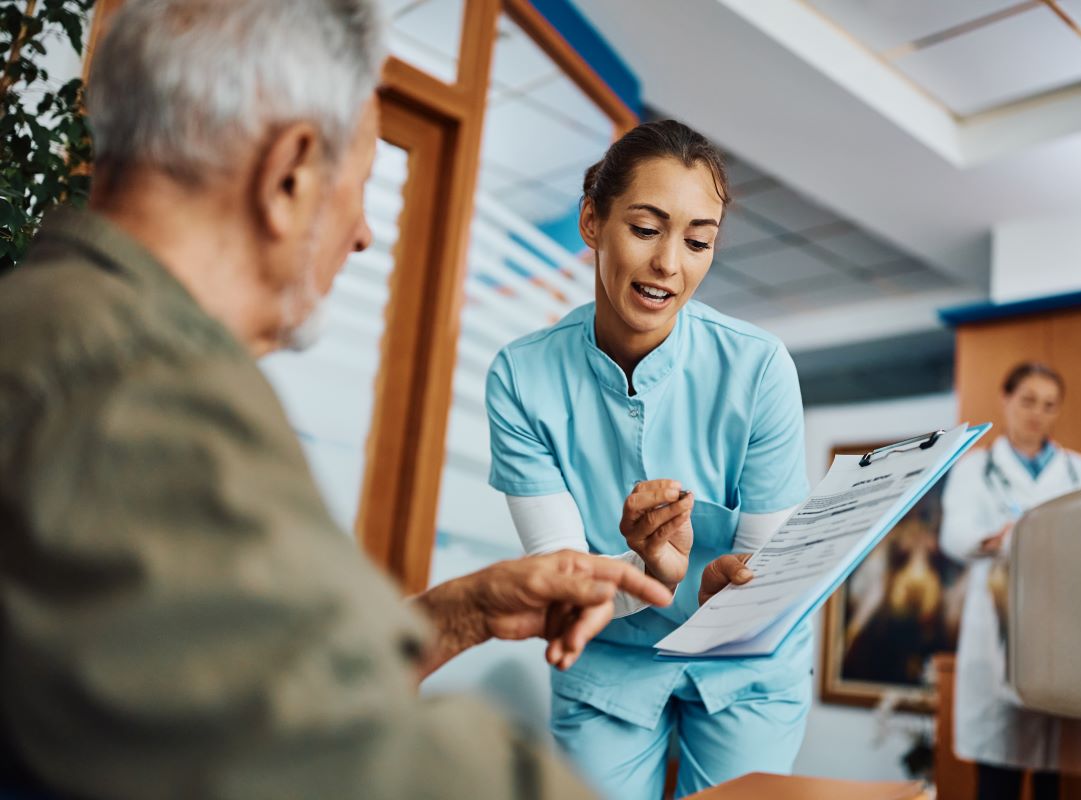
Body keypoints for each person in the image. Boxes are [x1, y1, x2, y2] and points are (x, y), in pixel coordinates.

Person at [0, 1, 735, 797]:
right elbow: (340, 755)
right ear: (289, 175)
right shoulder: (134, 389)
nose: (361, 234)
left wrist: (460, 613)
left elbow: (230, 677)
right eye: (361, 183)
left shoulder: (57, 328)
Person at [485, 120, 812, 799]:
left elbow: (762, 570)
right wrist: (655, 569)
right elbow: (566, 589)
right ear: (591, 221)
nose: (671, 263)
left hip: (741, 662)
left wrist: (722, 586)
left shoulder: (757, 369)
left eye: (698, 241)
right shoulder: (522, 377)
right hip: (609, 659)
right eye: (645, 229)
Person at [940, 362, 1081, 800]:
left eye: (1049, 405)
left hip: (1061, 624)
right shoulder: (975, 468)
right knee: (999, 774)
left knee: (1055, 771)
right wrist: (1000, 538)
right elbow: (954, 537)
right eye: (1028, 400)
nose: (1037, 413)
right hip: (997, 616)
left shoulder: (1080, 472)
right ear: (1006, 399)